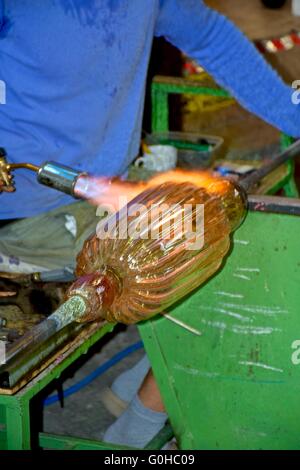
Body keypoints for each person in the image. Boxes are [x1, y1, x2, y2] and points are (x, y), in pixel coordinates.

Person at [0, 0, 299, 448]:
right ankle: (135, 435)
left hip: (110, 187)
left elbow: (210, 35)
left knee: (241, 231)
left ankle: (147, 390)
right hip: (31, 212)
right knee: (240, 266)